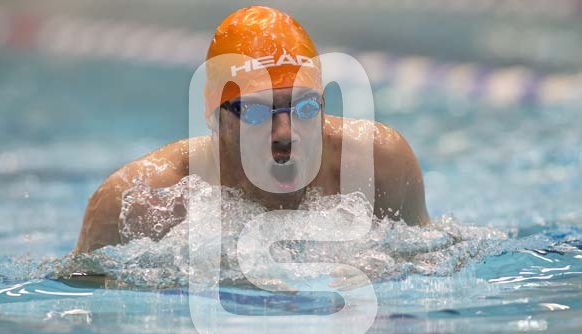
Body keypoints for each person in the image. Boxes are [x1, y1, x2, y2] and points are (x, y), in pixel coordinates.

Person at [74, 6, 429, 255]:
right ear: (214, 115)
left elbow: (428, 267)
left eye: (305, 107)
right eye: (256, 111)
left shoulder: (378, 164)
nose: (285, 132)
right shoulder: (137, 202)